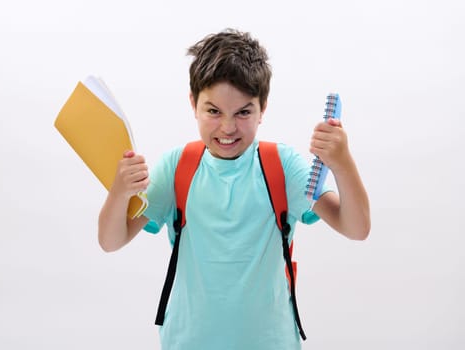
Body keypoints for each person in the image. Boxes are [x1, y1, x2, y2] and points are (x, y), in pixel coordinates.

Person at [98, 28, 370, 350]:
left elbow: (356, 228)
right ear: (193, 104)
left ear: (263, 108)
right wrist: (119, 192)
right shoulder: (177, 166)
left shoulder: (282, 165)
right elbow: (111, 241)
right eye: (214, 111)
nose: (228, 127)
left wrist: (342, 164)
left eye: (243, 112)